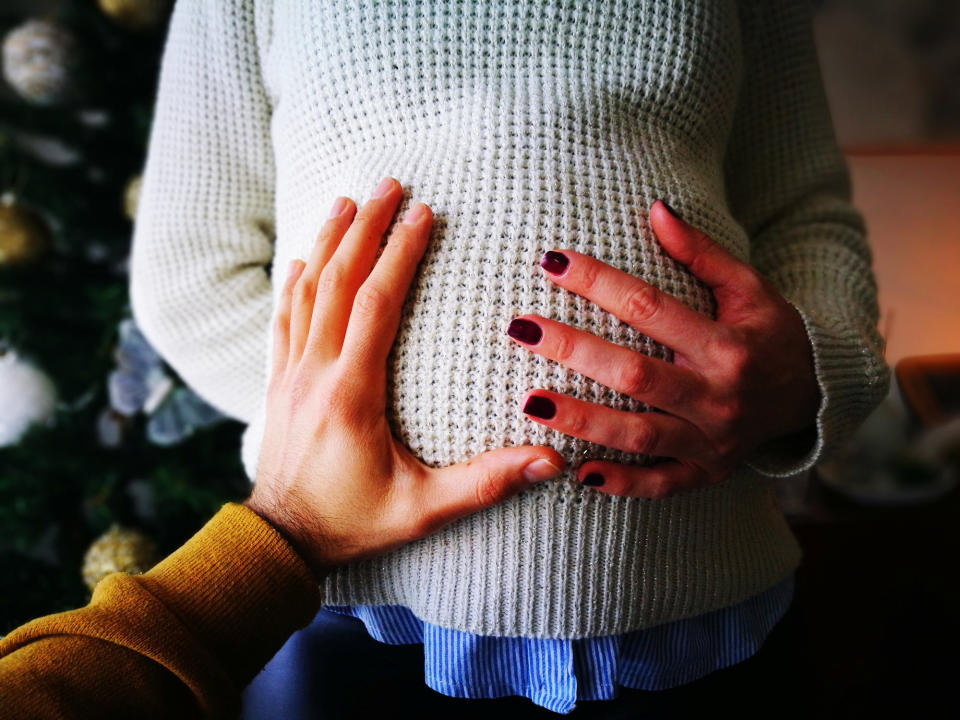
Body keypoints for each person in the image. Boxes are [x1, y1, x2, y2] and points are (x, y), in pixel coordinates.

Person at [126, 0, 891, 714]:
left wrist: (801, 379)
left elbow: (806, 219)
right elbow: (191, 268)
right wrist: (329, 440)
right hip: (365, 602)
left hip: (703, 591)